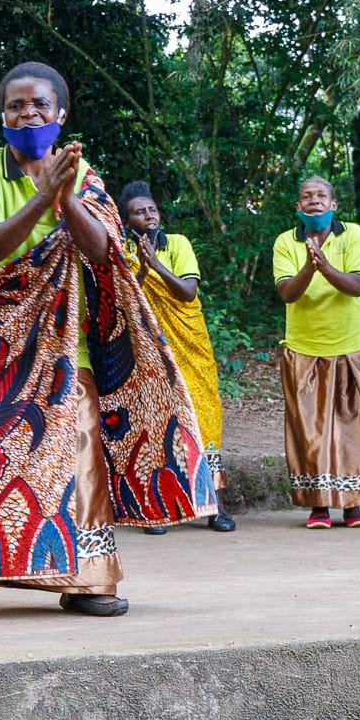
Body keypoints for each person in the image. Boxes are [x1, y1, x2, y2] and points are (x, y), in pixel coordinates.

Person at [0, 63, 214, 624]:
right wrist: (42, 195)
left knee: (79, 448)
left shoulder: (83, 174)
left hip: (71, 341)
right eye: (16, 105)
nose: (28, 114)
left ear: (60, 113)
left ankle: (87, 578)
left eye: (39, 105)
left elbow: (101, 252)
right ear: (2, 115)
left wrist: (65, 196)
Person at [270, 177, 360, 528]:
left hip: (354, 346)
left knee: (354, 429)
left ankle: (354, 505)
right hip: (304, 349)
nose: (314, 201)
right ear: (298, 207)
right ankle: (319, 507)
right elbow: (287, 293)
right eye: (306, 197)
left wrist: (325, 265)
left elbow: (358, 286)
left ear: (334, 205)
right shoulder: (286, 242)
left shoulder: (354, 234)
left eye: (321, 196)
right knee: (311, 432)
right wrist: (310, 265)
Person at [119, 180, 235, 534]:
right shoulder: (120, 249)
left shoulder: (179, 244)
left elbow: (187, 292)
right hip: (149, 346)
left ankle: (215, 505)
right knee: (156, 419)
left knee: (204, 416)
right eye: (140, 211)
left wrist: (155, 264)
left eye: (152, 209)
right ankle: (158, 507)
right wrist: (141, 266)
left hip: (189, 342)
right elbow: (126, 296)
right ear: (128, 220)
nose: (149, 215)